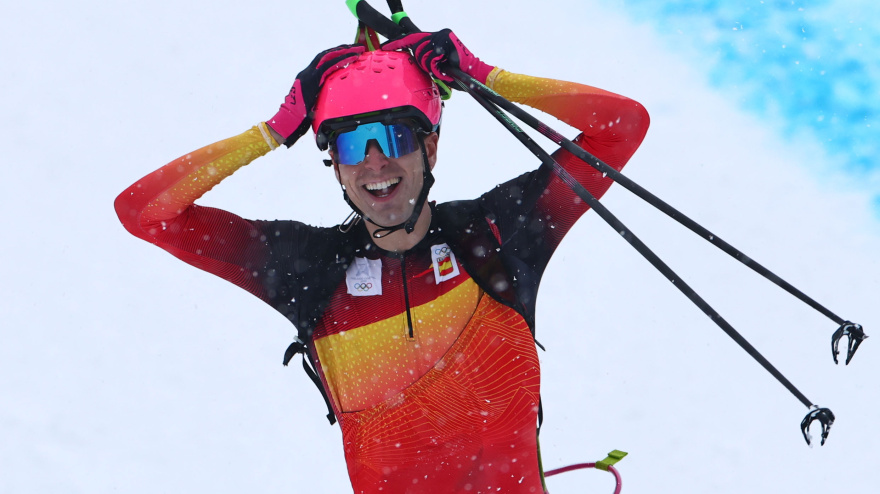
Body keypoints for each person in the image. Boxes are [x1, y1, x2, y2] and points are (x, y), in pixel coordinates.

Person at [115, 29, 649, 494]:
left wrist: (484, 74)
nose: (375, 162)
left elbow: (623, 126)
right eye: (351, 146)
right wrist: (273, 132)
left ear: (430, 150)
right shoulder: (309, 269)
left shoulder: (496, 233)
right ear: (335, 168)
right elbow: (144, 213)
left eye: (393, 136)